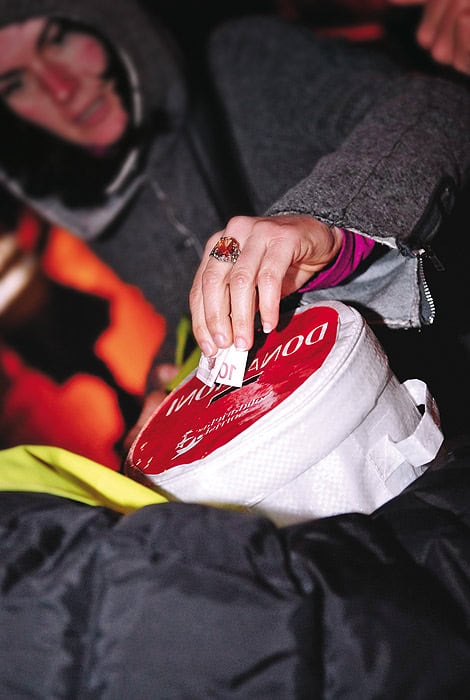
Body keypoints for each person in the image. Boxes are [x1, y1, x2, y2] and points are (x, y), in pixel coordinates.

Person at [0, 0, 468, 442]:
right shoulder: (95, 207)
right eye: (15, 83)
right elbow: (184, 307)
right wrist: (167, 382)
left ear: (108, 21)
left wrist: (323, 219)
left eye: (58, 39)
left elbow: (436, 106)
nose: (60, 89)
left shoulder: (240, 57)